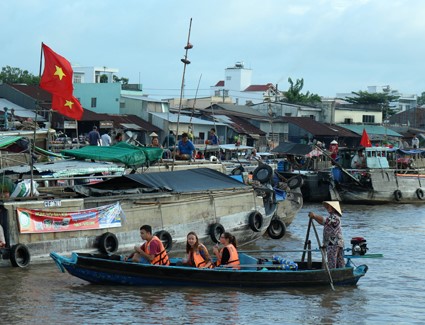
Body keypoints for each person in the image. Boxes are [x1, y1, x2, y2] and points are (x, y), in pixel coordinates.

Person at [308, 201, 345, 269]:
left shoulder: (335, 217)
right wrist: (314, 217)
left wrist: (315, 215)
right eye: (327, 206)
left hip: (334, 243)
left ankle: (334, 274)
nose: (327, 207)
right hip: (332, 242)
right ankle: (337, 273)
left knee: (333, 262)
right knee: (337, 262)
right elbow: (322, 222)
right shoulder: (332, 217)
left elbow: (325, 220)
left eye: (329, 206)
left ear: (333, 208)